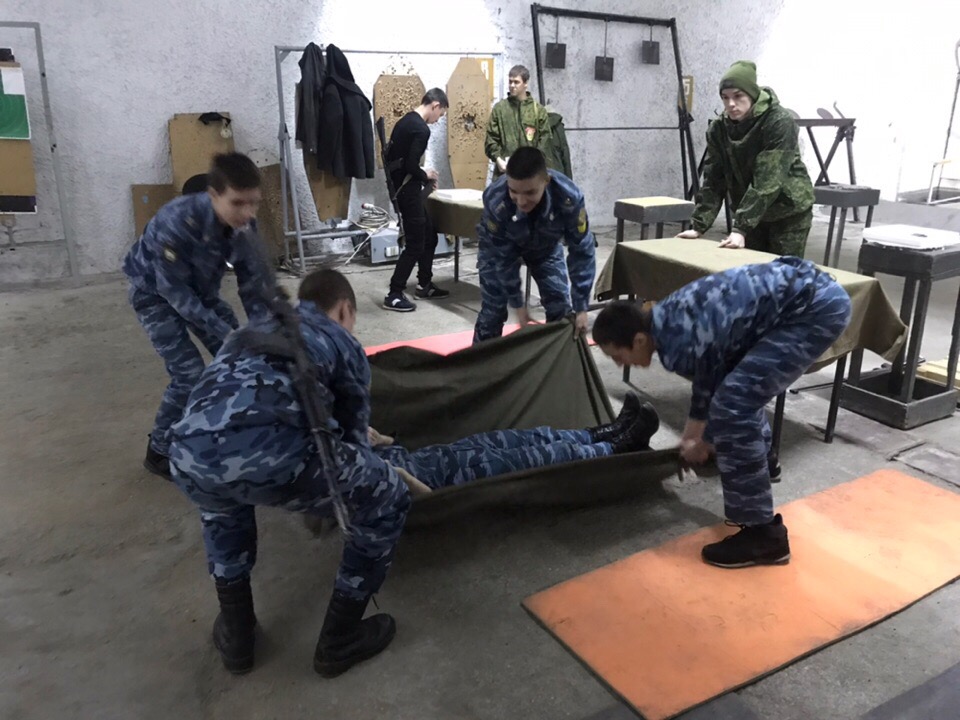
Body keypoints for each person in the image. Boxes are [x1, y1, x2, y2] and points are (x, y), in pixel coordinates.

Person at [169, 267, 657, 677]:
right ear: (344, 310)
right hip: (296, 457)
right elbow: (352, 435)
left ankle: (237, 635)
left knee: (225, 516)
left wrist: (358, 444)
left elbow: (278, 407)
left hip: (190, 453)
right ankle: (339, 639)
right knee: (441, 477)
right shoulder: (336, 339)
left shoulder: (251, 331)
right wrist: (367, 459)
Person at [592, 257, 851, 568]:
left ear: (637, 340)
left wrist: (700, 439)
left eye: (618, 356)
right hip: (803, 298)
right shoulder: (664, 321)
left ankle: (763, 537)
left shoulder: (679, 340)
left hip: (814, 310)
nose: (620, 364)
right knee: (737, 387)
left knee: (733, 403)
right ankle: (762, 460)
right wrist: (696, 438)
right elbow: (714, 373)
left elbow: (712, 388)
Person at [123, 152, 272, 478]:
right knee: (189, 375)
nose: (248, 213)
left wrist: (263, 331)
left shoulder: (244, 223)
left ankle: (232, 432)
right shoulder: (175, 220)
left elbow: (252, 284)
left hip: (201, 293)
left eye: (254, 203)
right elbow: (175, 294)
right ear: (214, 195)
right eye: (238, 203)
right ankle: (159, 451)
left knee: (242, 361)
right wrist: (228, 333)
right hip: (154, 295)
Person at [677, 61, 814, 257]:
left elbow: (768, 180)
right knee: (751, 270)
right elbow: (714, 179)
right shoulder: (719, 129)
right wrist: (699, 225)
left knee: (783, 272)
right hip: (752, 213)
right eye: (725, 98)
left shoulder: (778, 121)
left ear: (752, 94)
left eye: (738, 96)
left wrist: (740, 228)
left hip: (787, 211)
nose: (731, 104)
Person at [473, 147, 595, 344]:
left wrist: (581, 307)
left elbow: (581, 250)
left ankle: (555, 360)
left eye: (530, 192)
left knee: (561, 310)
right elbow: (502, 257)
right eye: (514, 191)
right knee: (493, 312)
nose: (521, 201)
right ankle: (481, 362)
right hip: (500, 250)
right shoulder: (496, 199)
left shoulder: (568, 197)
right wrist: (517, 303)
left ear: (546, 181)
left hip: (545, 249)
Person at [382, 89, 450, 312]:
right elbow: (411, 165)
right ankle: (394, 293)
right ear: (435, 105)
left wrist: (422, 177)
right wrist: (426, 175)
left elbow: (401, 161)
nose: (437, 120)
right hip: (407, 192)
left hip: (404, 188)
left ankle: (424, 284)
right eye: (440, 115)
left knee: (429, 234)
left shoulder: (405, 122)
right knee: (415, 243)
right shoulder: (421, 129)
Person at [484, 64, 556, 177]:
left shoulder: (537, 111)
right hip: (505, 172)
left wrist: (535, 162)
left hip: (531, 172)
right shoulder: (500, 109)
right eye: (510, 82)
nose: (512, 85)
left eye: (516, 82)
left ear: (525, 83)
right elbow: (491, 139)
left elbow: (545, 140)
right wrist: (498, 159)